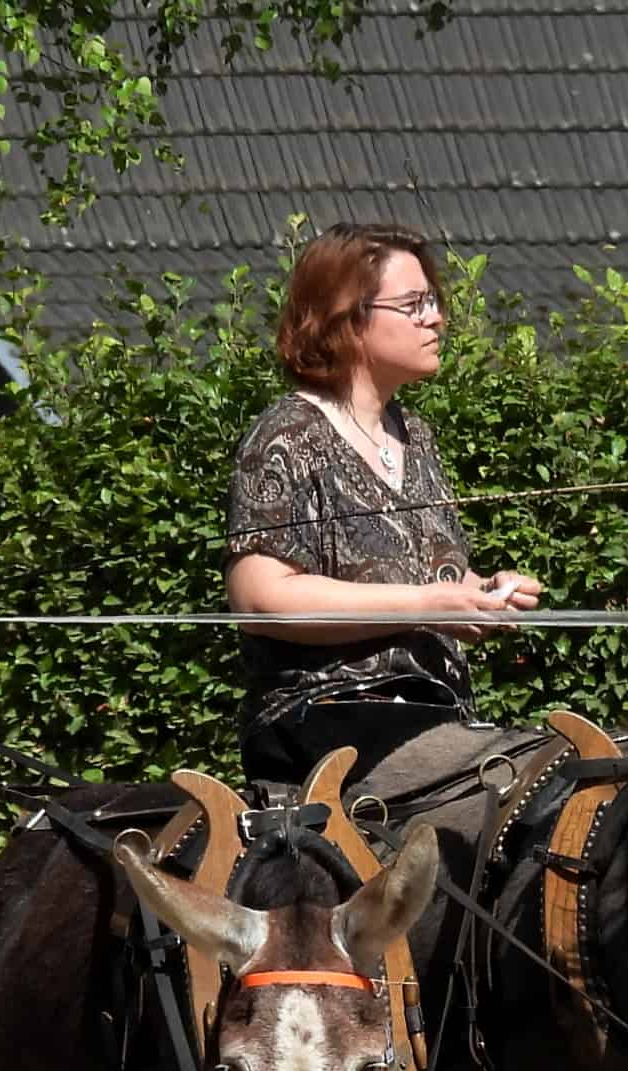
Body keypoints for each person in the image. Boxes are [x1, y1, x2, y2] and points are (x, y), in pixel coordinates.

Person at [224, 221, 543, 805]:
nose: (437, 318)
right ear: (347, 317)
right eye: (414, 304)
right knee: (517, 782)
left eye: (433, 301)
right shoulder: (286, 437)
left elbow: (424, 577)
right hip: (326, 720)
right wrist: (425, 605)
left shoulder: (414, 437)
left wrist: (482, 592)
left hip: (433, 718)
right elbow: (258, 600)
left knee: (553, 775)